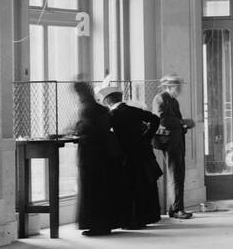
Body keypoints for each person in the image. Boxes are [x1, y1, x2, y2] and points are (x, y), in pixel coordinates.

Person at [99, 84, 163, 229]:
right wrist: (147, 136)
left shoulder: (112, 115)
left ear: (108, 101)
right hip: (143, 152)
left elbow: (106, 133)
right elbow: (155, 119)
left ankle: (132, 220)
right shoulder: (134, 110)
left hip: (126, 154)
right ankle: (146, 217)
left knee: (130, 187)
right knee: (145, 185)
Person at [70, 80, 123, 236]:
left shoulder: (86, 110)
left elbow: (84, 128)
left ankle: (95, 225)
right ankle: (105, 224)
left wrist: (75, 130)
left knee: (91, 190)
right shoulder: (102, 109)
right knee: (103, 188)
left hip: (91, 154)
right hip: (105, 154)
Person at [152, 75, 194, 219]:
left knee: (178, 175)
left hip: (176, 141)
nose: (180, 89)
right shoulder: (160, 98)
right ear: (169, 87)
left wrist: (184, 125)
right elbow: (162, 120)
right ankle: (176, 209)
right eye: (178, 86)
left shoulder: (172, 101)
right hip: (169, 143)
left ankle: (175, 208)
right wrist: (183, 122)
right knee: (175, 175)